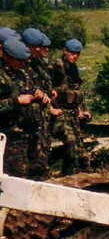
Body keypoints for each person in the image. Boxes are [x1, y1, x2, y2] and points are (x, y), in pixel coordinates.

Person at [2, 37, 50, 177]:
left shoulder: (20, 73)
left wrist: (39, 95)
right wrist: (16, 101)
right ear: (7, 56)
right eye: (19, 60)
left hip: (29, 133)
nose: (23, 64)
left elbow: (30, 89)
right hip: (10, 137)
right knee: (17, 179)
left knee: (37, 172)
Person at [49, 38, 91, 175]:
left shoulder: (74, 69)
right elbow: (45, 88)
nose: (75, 56)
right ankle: (69, 174)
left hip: (72, 113)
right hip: (59, 112)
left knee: (81, 150)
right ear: (65, 51)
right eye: (72, 53)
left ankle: (70, 174)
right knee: (71, 143)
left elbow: (77, 91)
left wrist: (83, 110)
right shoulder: (56, 67)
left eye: (77, 54)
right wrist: (51, 107)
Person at [22, 28, 59, 179]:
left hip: (40, 118)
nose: (43, 49)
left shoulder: (38, 64)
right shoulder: (23, 64)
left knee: (41, 156)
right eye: (38, 46)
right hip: (27, 122)